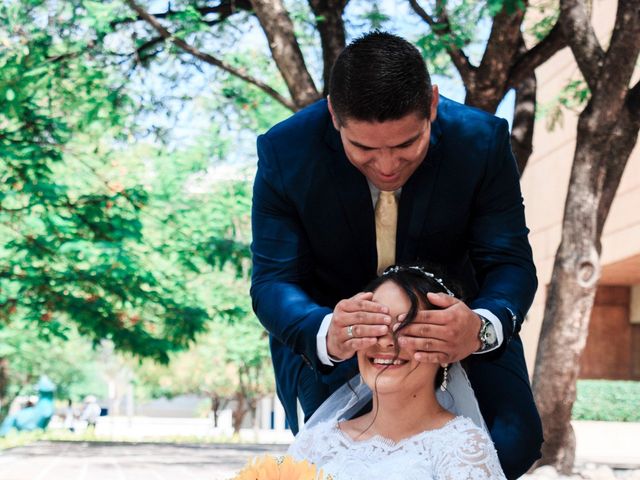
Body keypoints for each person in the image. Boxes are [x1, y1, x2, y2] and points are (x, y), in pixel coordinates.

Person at [251, 31, 542, 478]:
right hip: (332, 329)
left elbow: (509, 262)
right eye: (364, 148)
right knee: (327, 456)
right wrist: (328, 332)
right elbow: (273, 281)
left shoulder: (481, 141)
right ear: (334, 115)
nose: (387, 167)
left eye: (407, 145)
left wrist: (480, 329)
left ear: (432, 105)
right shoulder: (284, 152)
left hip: (453, 323)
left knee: (512, 444)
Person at [288, 266, 506, 479]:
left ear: (446, 348)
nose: (385, 342)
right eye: (373, 325)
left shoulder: (463, 449)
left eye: (406, 326)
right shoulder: (317, 444)